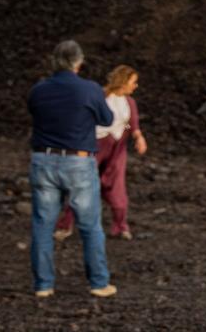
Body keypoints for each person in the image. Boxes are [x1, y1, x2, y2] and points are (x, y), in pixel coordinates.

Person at [27, 40, 117, 299]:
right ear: (79, 62)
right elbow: (107, 120)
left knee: (43, 225)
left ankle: (43, 285)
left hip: (43, 159)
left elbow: (34, 112)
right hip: (78, 161)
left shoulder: (39, 90)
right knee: (89, 225)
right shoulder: (89, 89)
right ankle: (99, 283)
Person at [56, 65, 149, 242]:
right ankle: (66, 225)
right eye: (133, 82)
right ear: (123, 82)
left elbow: (129, 123)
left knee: (117, 185)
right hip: (95, 145)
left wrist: (137, 136)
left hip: (117, 148)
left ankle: (120, 226)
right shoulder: (100, 97)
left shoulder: (129, 102)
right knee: (82, 184)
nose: (135, 86)